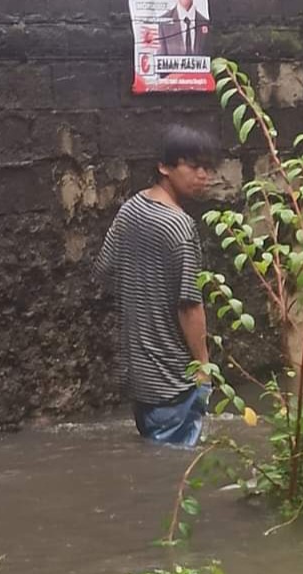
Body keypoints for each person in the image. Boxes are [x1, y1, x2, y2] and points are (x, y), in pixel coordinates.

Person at [92, 125, 217, 447]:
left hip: (140, 377)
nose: (203, 175)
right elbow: (190, 305)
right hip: (175, 379)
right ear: (164, 167)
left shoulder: (130, 208)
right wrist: (204, 368)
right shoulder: (181, 226)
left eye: (208, 167)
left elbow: (106, 270)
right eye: (193, 166)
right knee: (178, 475)